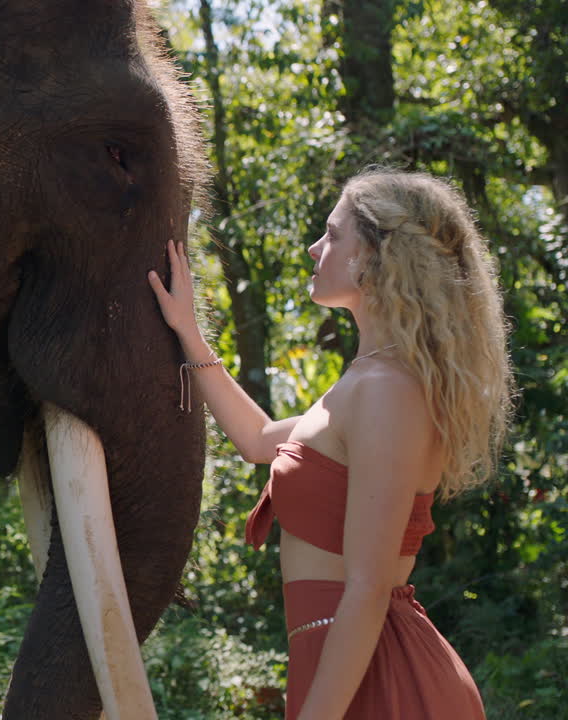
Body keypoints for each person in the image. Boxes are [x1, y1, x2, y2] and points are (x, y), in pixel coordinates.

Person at [146, 168, 514, 719]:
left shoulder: (389, 391)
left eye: (333, 233)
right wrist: (188, 331)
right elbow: (257, 440)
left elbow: (367, 586)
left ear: (375, 255)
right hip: (344, 663)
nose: (315, 247)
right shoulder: (367, 383)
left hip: (379, 675)